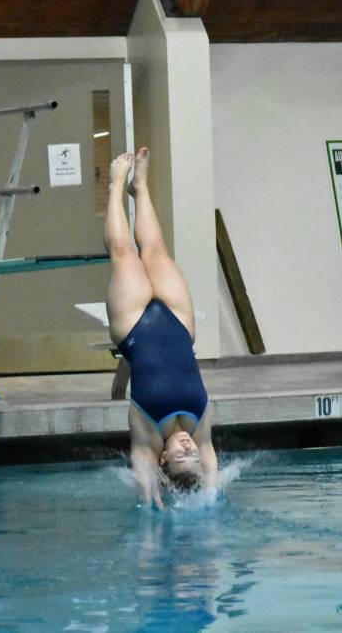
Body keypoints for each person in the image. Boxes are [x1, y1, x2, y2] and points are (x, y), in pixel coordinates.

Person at [104, 147, 217, 509]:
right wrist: (208, 491)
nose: (189, 447)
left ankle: (115, 184)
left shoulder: (147, 436)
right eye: (194, 455)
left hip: (134, 326)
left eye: (182, 455)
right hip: (179, 323)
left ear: (163, 459)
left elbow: (143, 475)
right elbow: (212, 472)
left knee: (124, 251)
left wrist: (153, 508)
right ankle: (141, 187)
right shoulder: (200, 429)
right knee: (155, 249)